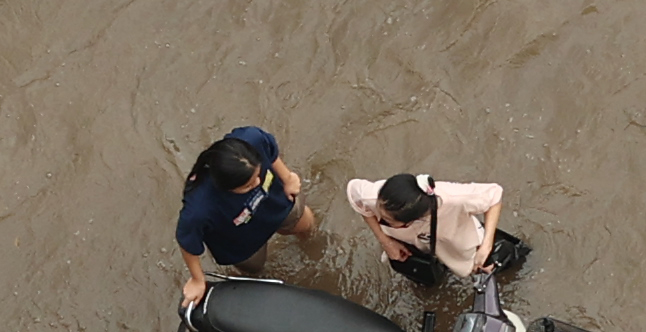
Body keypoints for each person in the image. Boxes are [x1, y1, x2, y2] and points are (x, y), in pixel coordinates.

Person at [175, 126, 315, 306]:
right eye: (248, 185)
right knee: (255, 271)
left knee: (307, 227)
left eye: (259, 175)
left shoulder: (251, 139)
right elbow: (187, 242)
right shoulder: (200, 208)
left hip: (276, 202)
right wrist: (197, 279)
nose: (258, 183)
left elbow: (269, 150)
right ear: (226, 187)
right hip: (242, 243)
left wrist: (287, 178)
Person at [346, 173, 517, 284]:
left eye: (387, 220)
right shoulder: (376, 196)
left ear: (410, 221)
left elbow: (494, 195)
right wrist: (385, 241)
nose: (380, 218)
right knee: (424, 278)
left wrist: (486, 246)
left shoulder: (454, 198)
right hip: (409, 243)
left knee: (486, 270)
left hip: (456, 240)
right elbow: (358, 200)